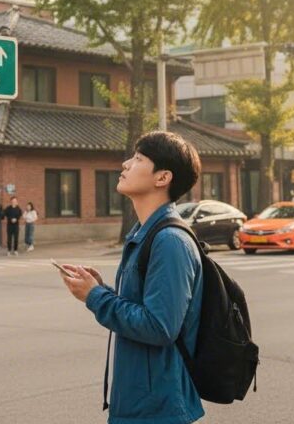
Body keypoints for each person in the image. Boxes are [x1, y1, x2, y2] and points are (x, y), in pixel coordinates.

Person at [59, 131, 205, 424]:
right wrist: (102, 290)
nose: (125, 164)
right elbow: (144, 306)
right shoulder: (145, 233)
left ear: (162, 178)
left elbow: (159, 327)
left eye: (138, 159)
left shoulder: (169, 241)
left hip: (158, 408)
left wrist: (95, 297)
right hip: (139, 401)